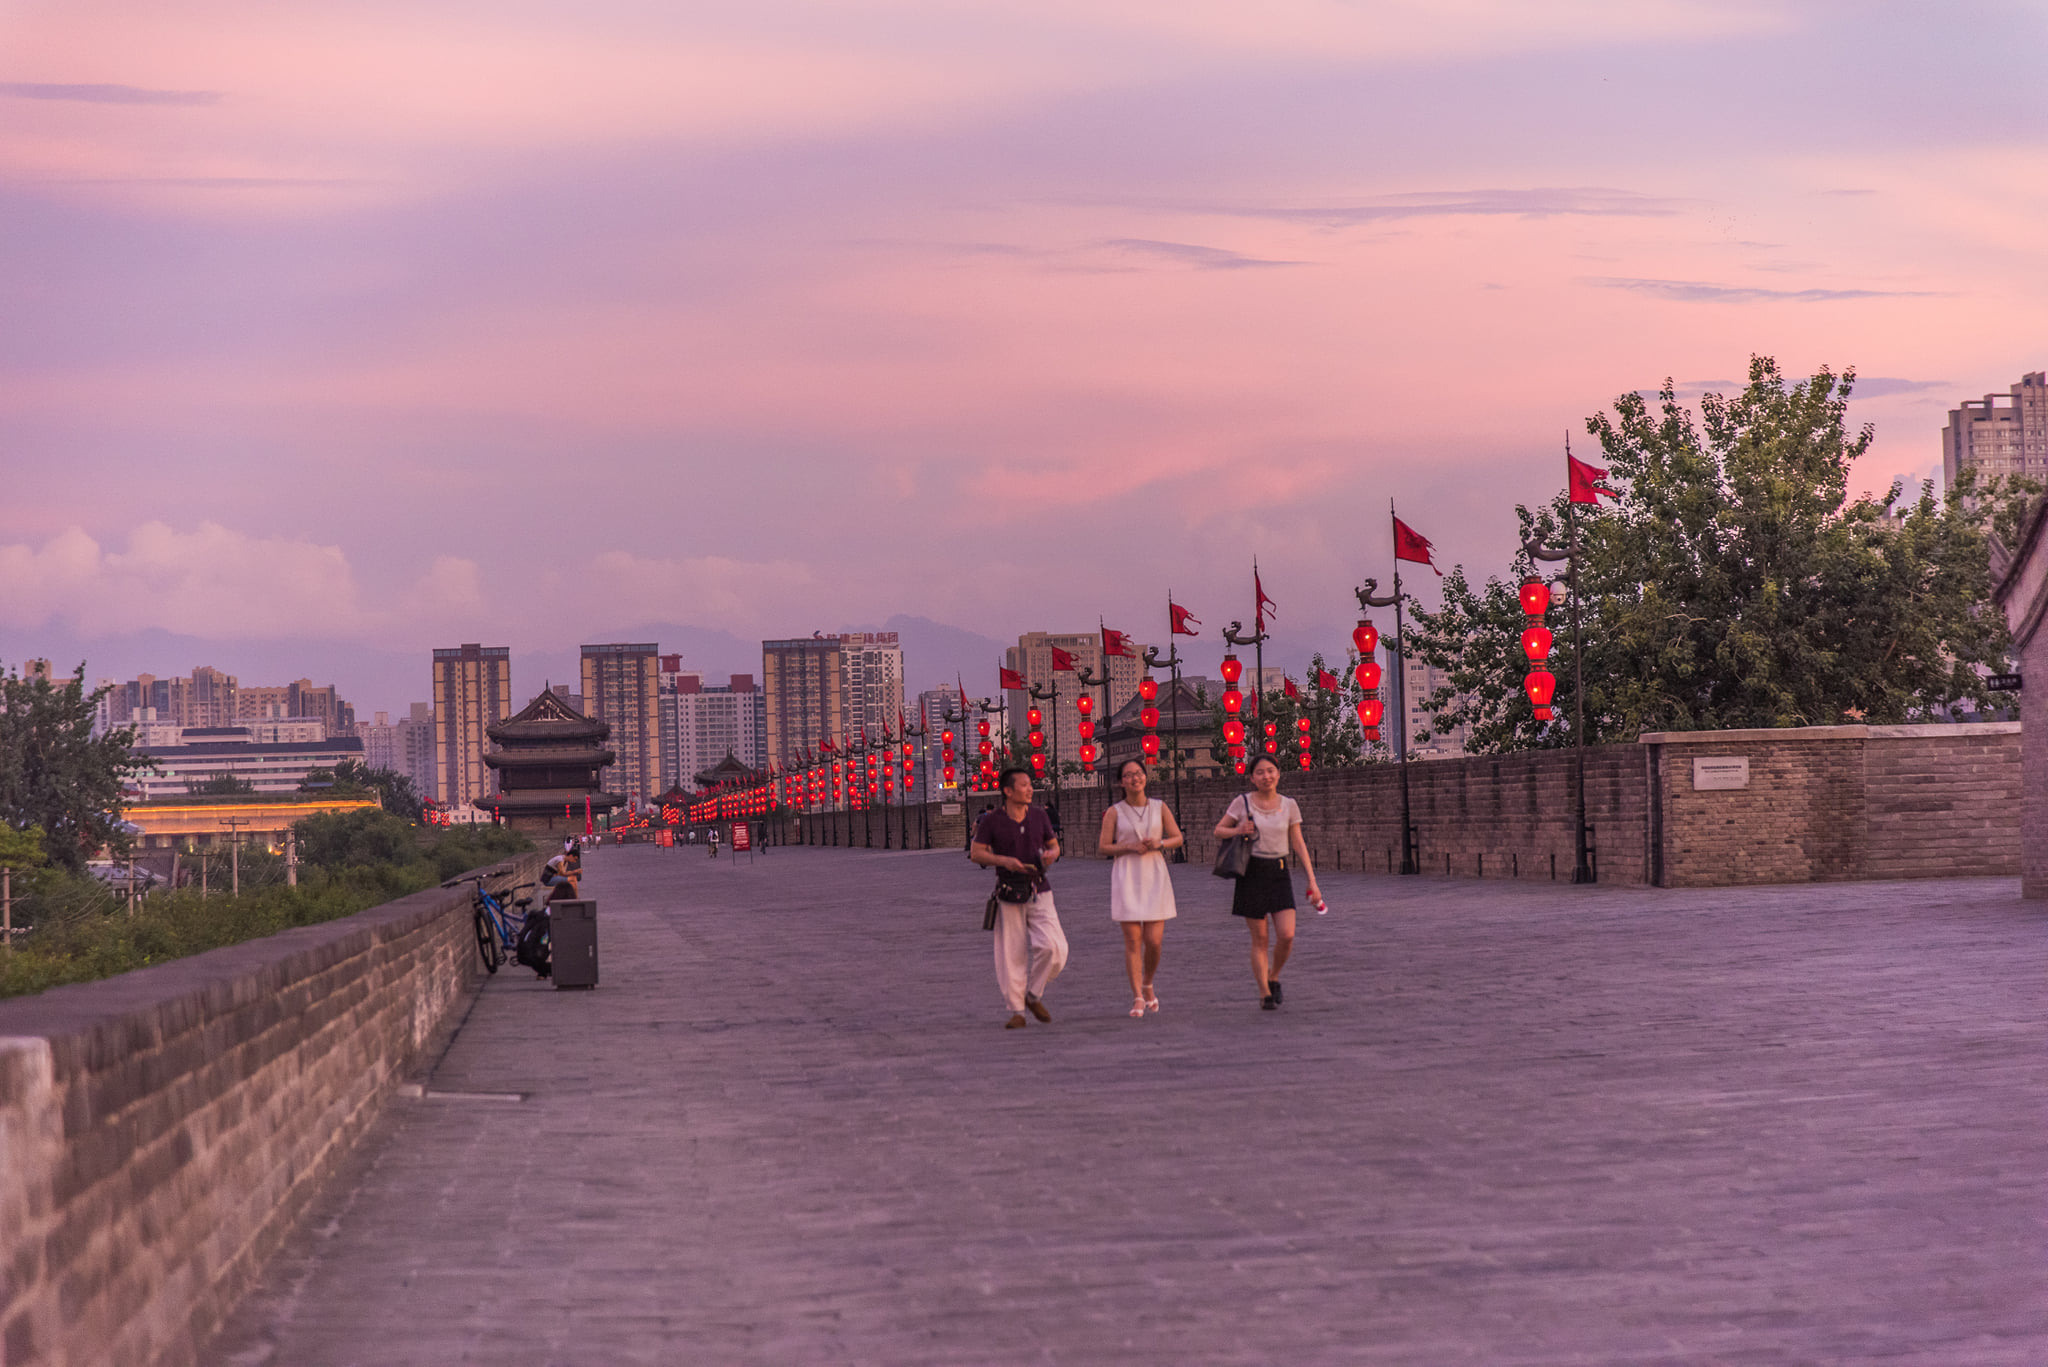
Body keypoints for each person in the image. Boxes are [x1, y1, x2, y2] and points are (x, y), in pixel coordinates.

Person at [1213, 755, 1322, 1010]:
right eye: (1260, 772)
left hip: (1279, 872)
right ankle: (1265, 993)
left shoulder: (1289, 804)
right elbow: (1218, 830)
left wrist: (1312, 880)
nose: (1266, 776)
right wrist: (1238, 830)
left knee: (1287, 934)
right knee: (1260, 938)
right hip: (1251, 873)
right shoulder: (1242, 802)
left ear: (1278, 774)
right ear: (1252, 778)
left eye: (1271, 771)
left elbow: (1298, 842)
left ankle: (1273, 976)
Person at [970, 767, 1068, 1029]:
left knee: (1054, 948)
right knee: (1011, 953)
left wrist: (1051, 855)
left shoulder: (1039, 816)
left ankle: (1033, 993)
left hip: (1039, 888)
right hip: (1009, 891)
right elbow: (976, 853)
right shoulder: (992, 821)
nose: (1029, 789)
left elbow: (1054, 846)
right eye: (1024, 785)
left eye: (1030, 784)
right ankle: (1017, 1010)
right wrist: (1005, 861)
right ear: (1008, 791)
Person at [1096, 757, 1182, 1017]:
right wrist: (1129, 847)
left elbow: (1177, 837)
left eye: (1138, 773)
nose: (1135, 778)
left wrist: (1160, 843)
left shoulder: (1159, 807)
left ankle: (1148, 982)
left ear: (1146, 776)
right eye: (1128, 775)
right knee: (1133, 940)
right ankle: (1137, 996)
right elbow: (1103, 847)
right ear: (1121, 782)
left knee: (1153, 941)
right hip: (1127, 875)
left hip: (1154, 874)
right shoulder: (1115, 812)